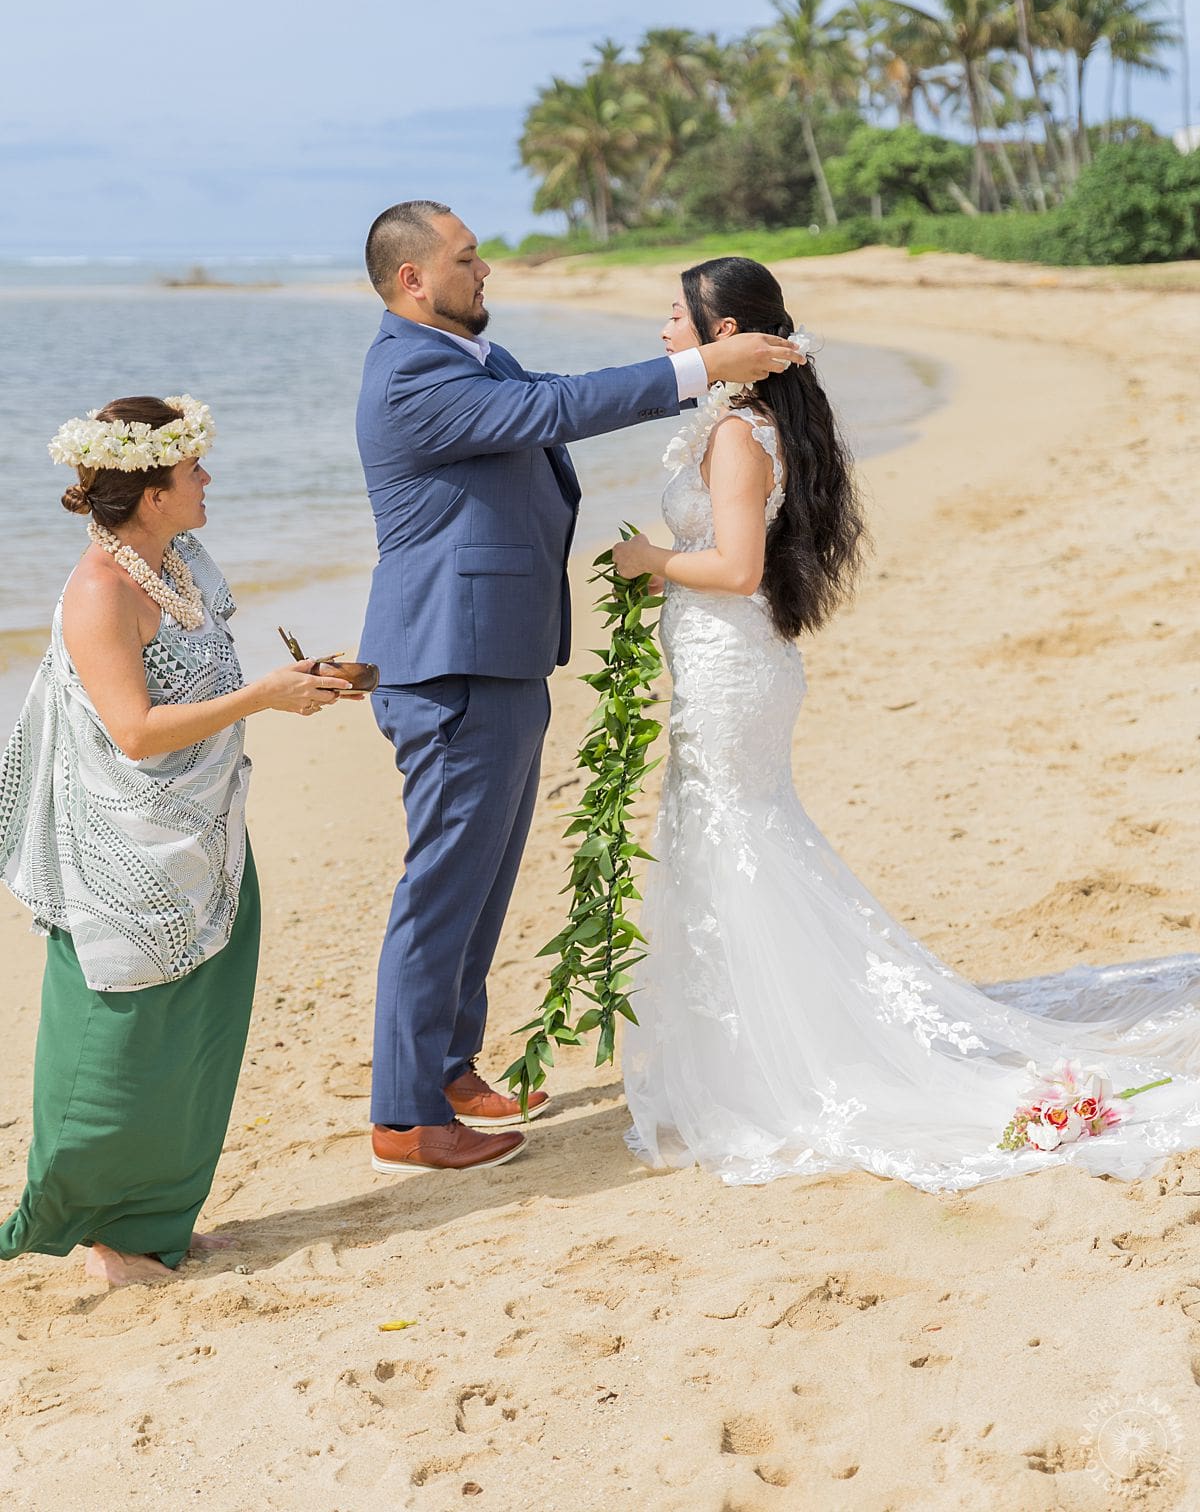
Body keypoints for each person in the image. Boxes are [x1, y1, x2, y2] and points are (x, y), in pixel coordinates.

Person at [614, 256, 1200, 1191]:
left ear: (723, 334)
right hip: (733, 663)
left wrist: (648, 559)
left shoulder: (737, 437)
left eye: (672, 315)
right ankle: (753, 1046)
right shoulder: (750, 423)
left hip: (732, 660)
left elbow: (734, 569)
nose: (661, 330)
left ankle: (776, 1061)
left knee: (731, 832)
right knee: (730, 830)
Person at [355, 201, 801, 1175]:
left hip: (500, 650)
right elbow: (552, 414)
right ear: (413, 281)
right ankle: (402, 1112)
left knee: (483, 877)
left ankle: (447, 1063)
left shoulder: (476, 357)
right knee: (442, 887)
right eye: (467, 260)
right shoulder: (409, 375)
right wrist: (702, 371)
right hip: (448, 658)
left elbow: (550, 399)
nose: (487, 273)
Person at [0, 395, 353, 1285]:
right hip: (123, 843)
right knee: (119, 1045)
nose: (208, 481)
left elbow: (213, 664)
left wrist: (300, 680)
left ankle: (159, 1222)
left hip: (206, 826)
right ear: (151, 494)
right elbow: (135, 731)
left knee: (199, 1033)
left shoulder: (182, 559)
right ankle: (100, 1240)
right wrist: (264, 698)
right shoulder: (98, 591)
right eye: (193, 470)